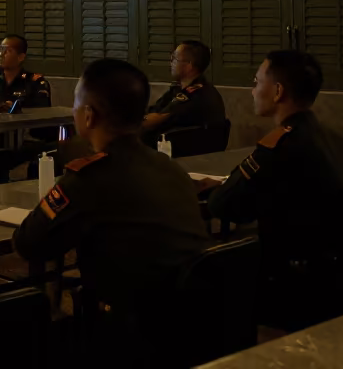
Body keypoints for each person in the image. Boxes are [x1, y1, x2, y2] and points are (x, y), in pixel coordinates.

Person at [14, 58, 208, 367]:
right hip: (192, 327)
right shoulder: (169, 168)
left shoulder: (89, 176)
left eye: (76, 102)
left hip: (126, 338)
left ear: (89, 115)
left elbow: (28, 242)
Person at [204, 50, 343, 331]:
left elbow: (222, 205)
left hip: (295, 286)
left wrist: (228, 186)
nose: (252, 91)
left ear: (277, 91)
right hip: (339, 276)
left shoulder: (280, 144)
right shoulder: (332, 138)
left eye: (257, 82)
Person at [141, 40, 226, 145]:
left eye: (175, 58)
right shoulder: (179, 88)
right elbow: (156, 109)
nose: (171, 61)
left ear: (189, 65)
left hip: (187, 151)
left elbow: (156, 120)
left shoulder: (197, 94)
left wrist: (128, 123)